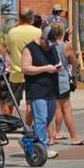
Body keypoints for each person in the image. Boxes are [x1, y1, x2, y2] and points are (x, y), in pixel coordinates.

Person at [22, 25, 61, 159]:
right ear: (42, 38)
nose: (49, 47)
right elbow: (26, 68)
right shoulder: (30, 49)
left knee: (48, 117)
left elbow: (56, 62)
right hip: (37, 89)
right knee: (41, 119)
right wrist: (45, 68)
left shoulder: (52, 48)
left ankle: (28, 139)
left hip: (51, 88)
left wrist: (58, 67)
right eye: (48, 44)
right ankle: (42, 148)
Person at [50, 23, 84, 145]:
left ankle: (51, 136)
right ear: (62, 33)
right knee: (66, 109)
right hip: (62, 79)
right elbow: (74, 62)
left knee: (53, 109)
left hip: (50, 79)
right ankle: (74, 137)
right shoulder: (65, 46)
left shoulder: (48, 46)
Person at [2, 8, 41, 118]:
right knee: (30, 104)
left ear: (20, 18)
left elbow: (8, 49)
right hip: (33, 73)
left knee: (10, 103)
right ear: (32, 19)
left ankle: (8, 123)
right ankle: (27, 125)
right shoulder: (38, 32)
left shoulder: (12, 33)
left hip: (16, 73)